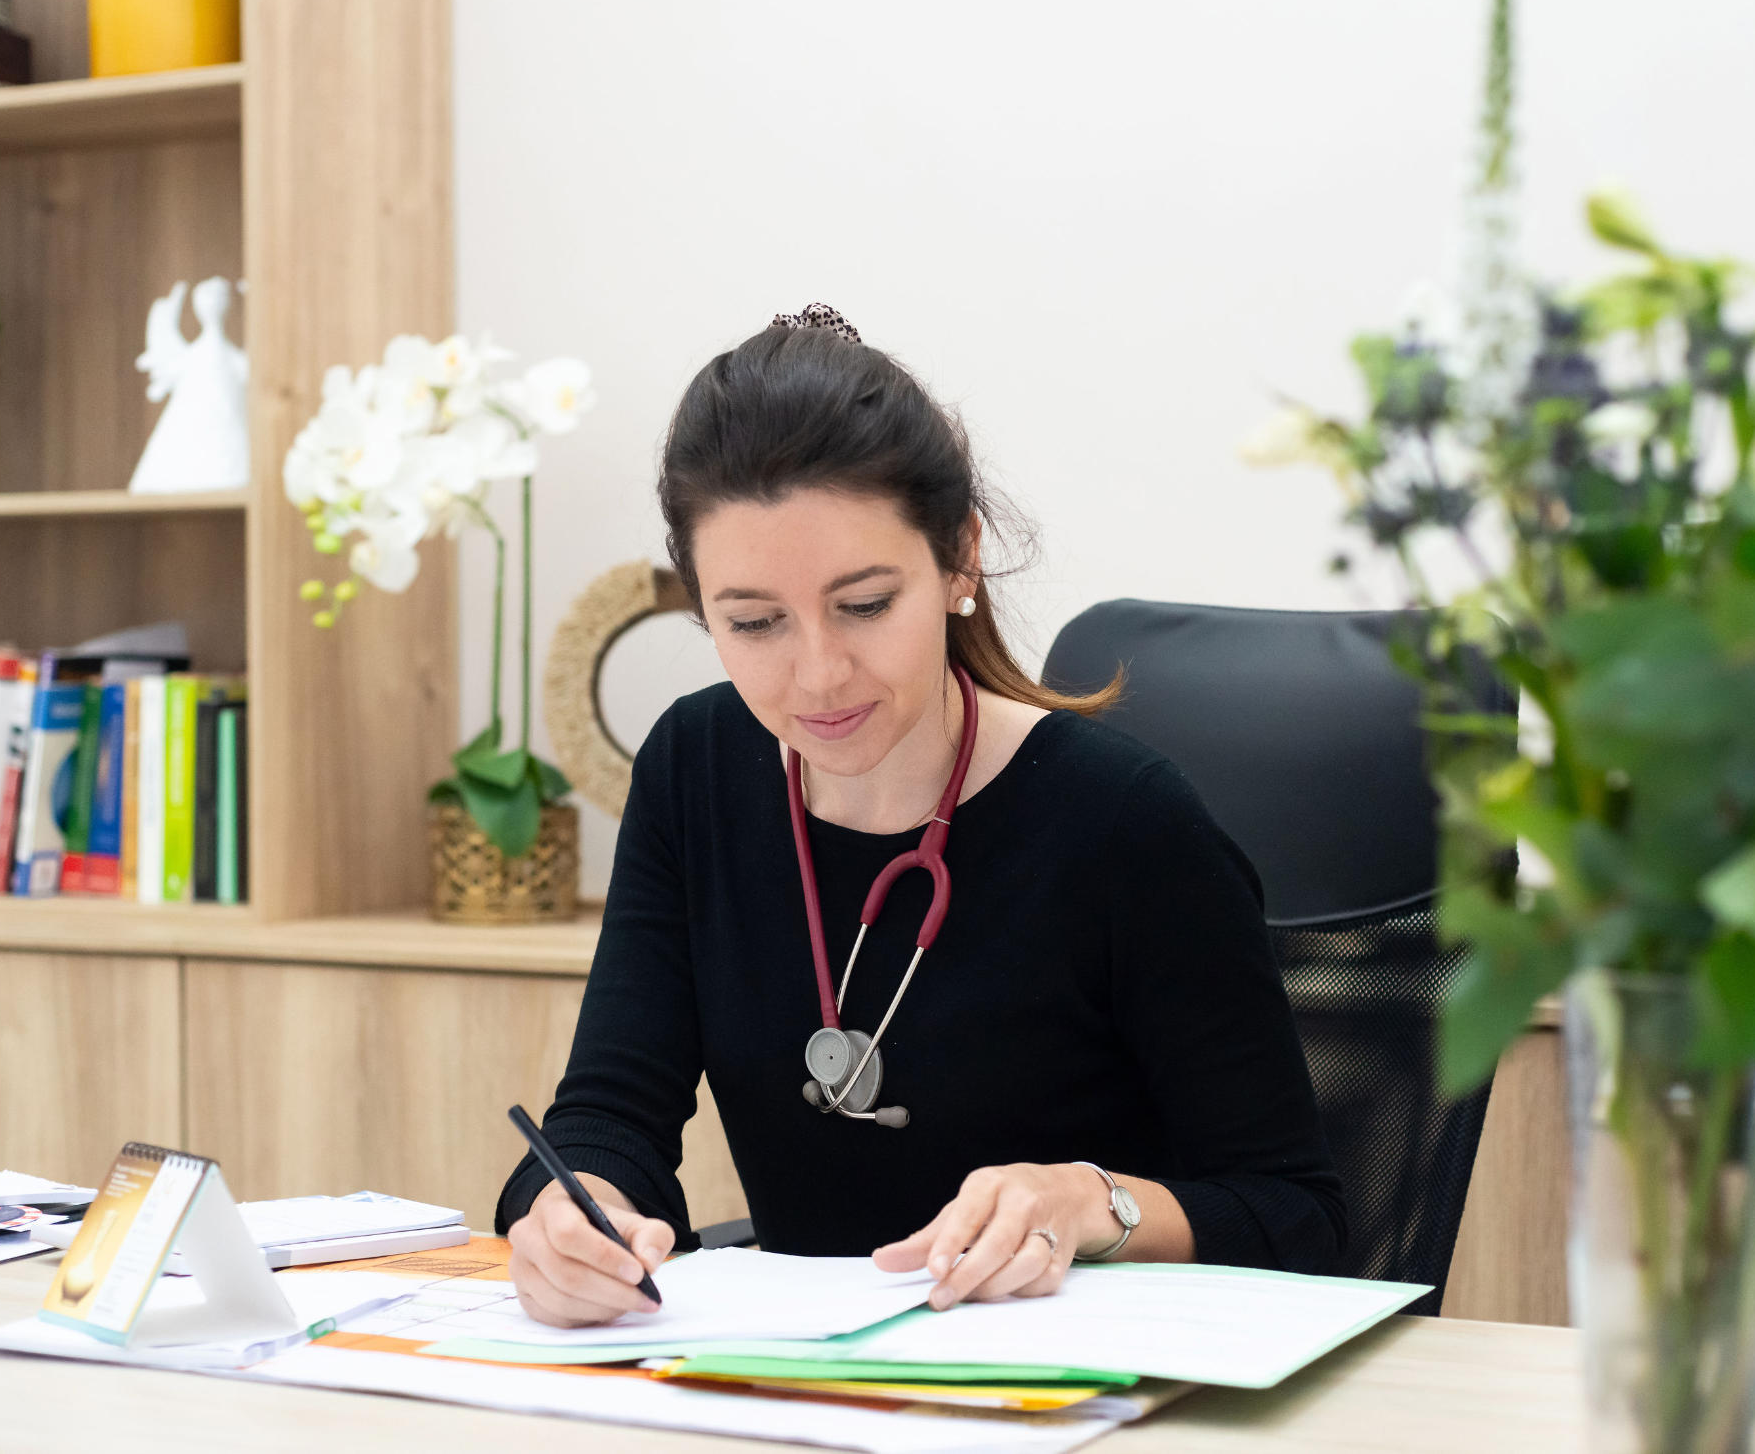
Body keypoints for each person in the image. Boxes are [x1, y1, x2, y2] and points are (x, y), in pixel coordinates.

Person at [496, 305, 1343, 1327]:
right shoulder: (696, 767)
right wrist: (573, 1211)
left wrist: (1091, 1202)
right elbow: (609, 1113)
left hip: (1092, 1399)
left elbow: (1298, 1219)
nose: (816, 673)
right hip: (810, 1394)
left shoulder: (1122, 822)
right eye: (753, 621)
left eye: (863, 604)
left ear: (959, 562)